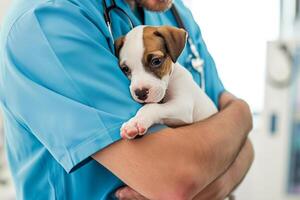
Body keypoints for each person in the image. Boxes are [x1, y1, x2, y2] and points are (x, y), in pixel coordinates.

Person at [0, 0, 254, 199]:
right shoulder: (50, 22)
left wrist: (241, 115)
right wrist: (236, 124)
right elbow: (175, 179)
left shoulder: (174, 13)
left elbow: (244, 146)